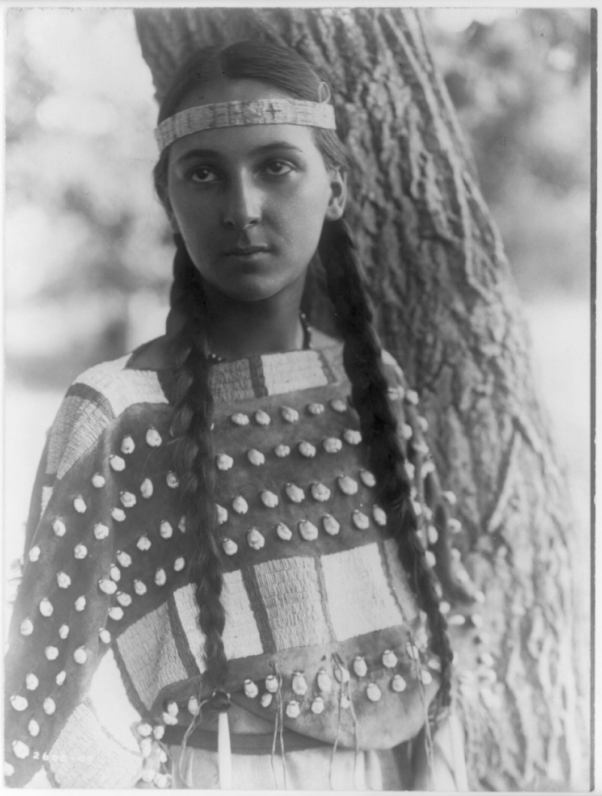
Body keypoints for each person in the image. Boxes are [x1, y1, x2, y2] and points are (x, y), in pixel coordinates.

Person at [4, 40, 481, 790]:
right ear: (168, 198)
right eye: (204, 174)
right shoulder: (119, 413)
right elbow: (44, 700)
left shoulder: (375, 391)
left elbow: (442, 627)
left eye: (276, 166)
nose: (242, 209)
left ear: (336, 188)